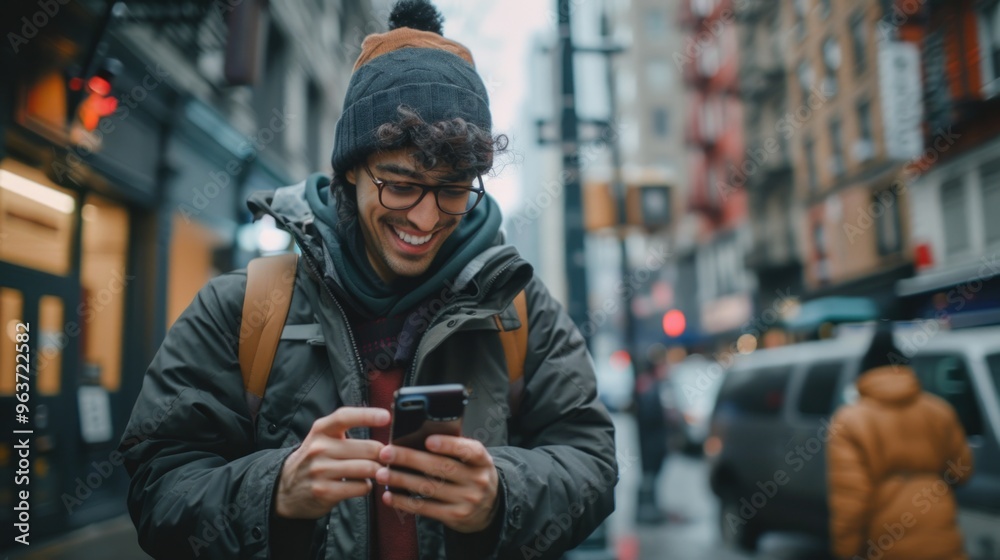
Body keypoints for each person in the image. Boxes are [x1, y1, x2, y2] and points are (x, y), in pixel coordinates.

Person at [117, 1, 617, 558]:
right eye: (400, 185)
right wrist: (274, 490)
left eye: (453, 190)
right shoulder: (240, 308)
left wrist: (502, 494)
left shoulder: (520, 308)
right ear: (351, 169)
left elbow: (591, 462)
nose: (425, 219)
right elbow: (156, 486)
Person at [827, 326, 974, 560]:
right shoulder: (938, 410)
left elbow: (851, 501)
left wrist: (845, 550)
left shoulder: (849, 420)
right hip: (942, 536)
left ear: (865, 373)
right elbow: (962, 470)